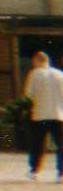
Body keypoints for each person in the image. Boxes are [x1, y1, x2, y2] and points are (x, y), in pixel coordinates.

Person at [22, 52, 63, 181]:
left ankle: (35, 171)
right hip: (58, 114)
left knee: (37, 144)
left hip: (39, 115)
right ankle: (61, 173)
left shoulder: (34, 74)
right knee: (61, 144)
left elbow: (28, 94)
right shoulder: (59, 74)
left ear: (38, 60)